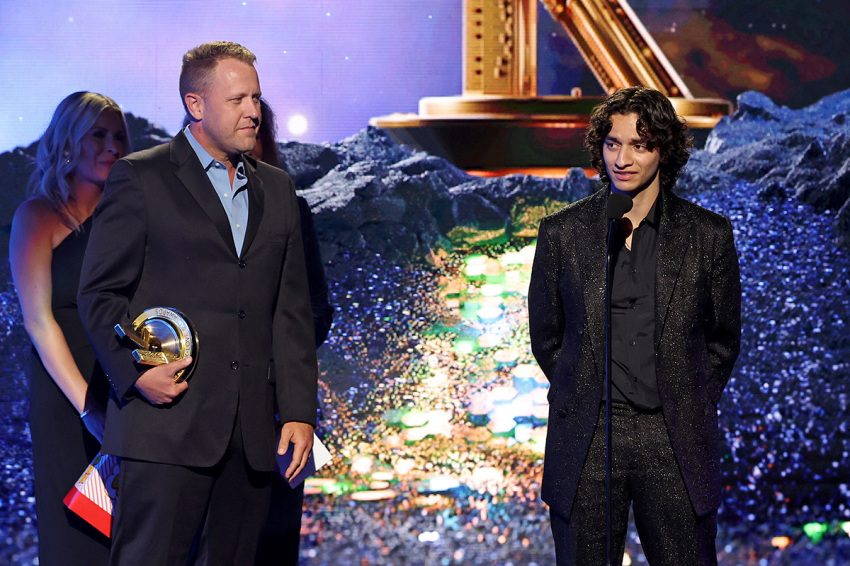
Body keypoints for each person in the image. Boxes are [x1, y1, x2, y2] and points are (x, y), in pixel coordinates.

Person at [77, 41, 319, 565]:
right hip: (165, 429)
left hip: (251, 439)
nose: (254, 111)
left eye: (256, 97)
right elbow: (99, 295)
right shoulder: (141, 177)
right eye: (237, 99)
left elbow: (291, 311)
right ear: (196, 104)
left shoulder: (277, 190)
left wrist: (299, 411)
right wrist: (138, 370)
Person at [528, 86, 741, 565]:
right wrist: (580, 387)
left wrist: (689, 395)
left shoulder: (708, 236)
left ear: (663, 150)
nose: (622, 158)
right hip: (588, 435)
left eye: (639, 145)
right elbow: (547, 336)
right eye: (612, 143)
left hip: (673, 435)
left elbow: (723, 340)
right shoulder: (562, 233)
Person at [9, 91, 129, 565]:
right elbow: (38, 321)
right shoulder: (37, 216)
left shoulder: (127, 219)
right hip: (66, 399)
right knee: (76, 537)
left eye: (119, 136)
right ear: (66, 142)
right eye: (98, 134)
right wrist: (88, 408)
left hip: (125, 390)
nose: (112, 146)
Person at [249, 98, 333, 566]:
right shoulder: (173, 211)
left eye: (258, 128)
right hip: (198, 416)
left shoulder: (291, 209)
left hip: (277, 410)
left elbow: (318, 309)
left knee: (274, 541)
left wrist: (276, 350)